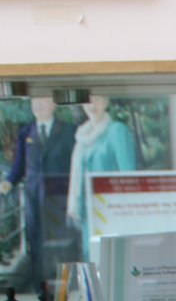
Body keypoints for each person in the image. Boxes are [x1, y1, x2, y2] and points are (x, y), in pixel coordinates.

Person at [1, 96, 78, 283]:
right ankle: (38, 287)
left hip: (61, 197)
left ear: (53, 104)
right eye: (35, 100)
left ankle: (66, 286)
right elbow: (19, 165)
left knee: (62, 242)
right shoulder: (25, 131)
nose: (38, 104)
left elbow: (75, 165)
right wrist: (7, 183)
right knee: (35, 241)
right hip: (34, 196)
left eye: (43, 100)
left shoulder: (69, 131)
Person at [66, 94, 136, 249]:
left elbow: (129, 176)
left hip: (112, 213)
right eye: (87, 101)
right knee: (90, 257)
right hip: (87, 213)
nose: (91, 105)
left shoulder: (117, 131)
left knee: (112, 260)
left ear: (106, 101)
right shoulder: (82, 135)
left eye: (96, 100)